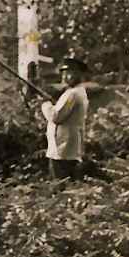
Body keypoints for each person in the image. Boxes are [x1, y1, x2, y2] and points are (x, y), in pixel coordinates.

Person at [41, 53, 89, 181]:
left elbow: (56, 117)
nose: (66, 77)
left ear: (79, 75)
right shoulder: (73, 92)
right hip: (63, 149)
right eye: (64, 73)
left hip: (64, 151)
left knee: (61, 185)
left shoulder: (73, 94)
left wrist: (45, 104)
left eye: (70, 73)